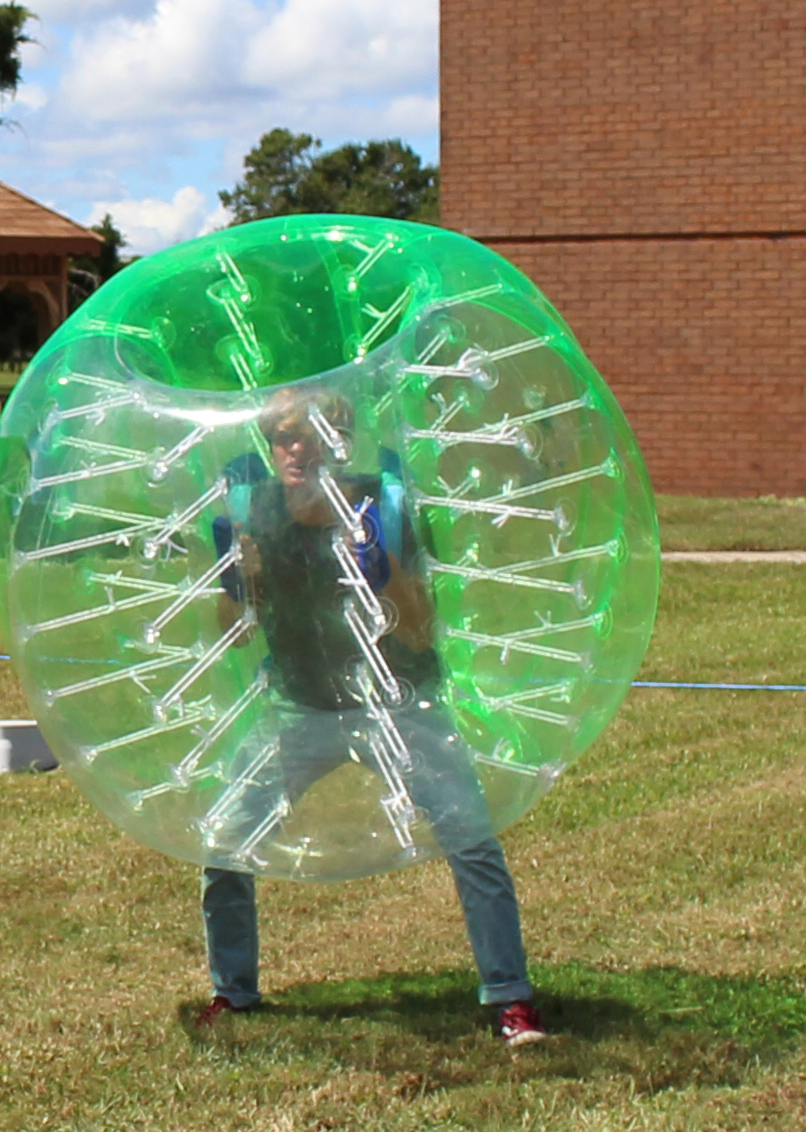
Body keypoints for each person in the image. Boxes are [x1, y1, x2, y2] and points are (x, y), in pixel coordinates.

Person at [177, 384, 549, 1050]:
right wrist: (236, 579)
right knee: (226, 837)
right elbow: (234, 633)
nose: (297, 448)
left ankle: (511, 1000)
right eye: (284, 436)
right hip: (300, 705)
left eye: (312, 434)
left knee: (471, 837)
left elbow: (419, 629)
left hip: (398, 703)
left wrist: (387, 570)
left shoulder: (386, 504)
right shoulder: (254, 509)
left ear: (338, 439)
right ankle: (233, 994)